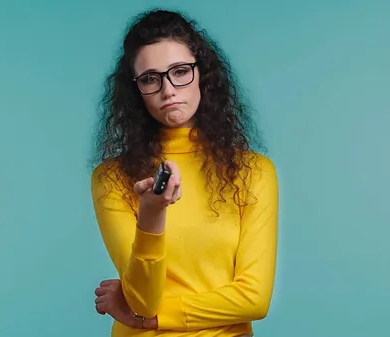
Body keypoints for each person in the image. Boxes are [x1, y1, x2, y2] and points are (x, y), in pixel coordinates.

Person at [89, 8, 278, 337]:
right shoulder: (112, 178)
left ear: (201, 73)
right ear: (136, 90)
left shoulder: (253, 171)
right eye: (150, 78)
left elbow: (254, 299)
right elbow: (144, 300)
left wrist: (148, 321)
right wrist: (150, 215)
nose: (168, 90)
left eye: (179, 71)